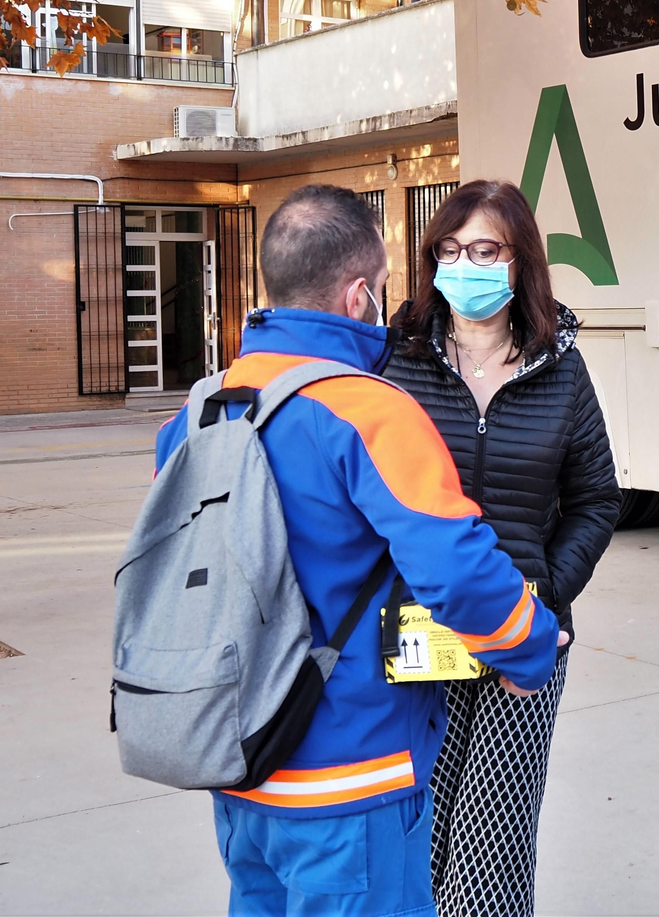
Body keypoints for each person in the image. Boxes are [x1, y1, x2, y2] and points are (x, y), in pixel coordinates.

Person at [154, 184, 562, 917]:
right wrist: (529, 644)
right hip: (351, 779)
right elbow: (455, 567)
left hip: (239, 764)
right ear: (357, 296)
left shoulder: (197, 411)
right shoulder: (370, 410)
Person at [383, 180, 621, 917]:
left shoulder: (560, 366)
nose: (467, 265)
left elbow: (596, 499)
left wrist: (545, 594)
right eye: (451, 250)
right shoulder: (400, 358)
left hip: (524, 632)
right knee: (420, 836)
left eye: (486, 250)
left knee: (492, 851)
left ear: (520, 262)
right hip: (421, 630)